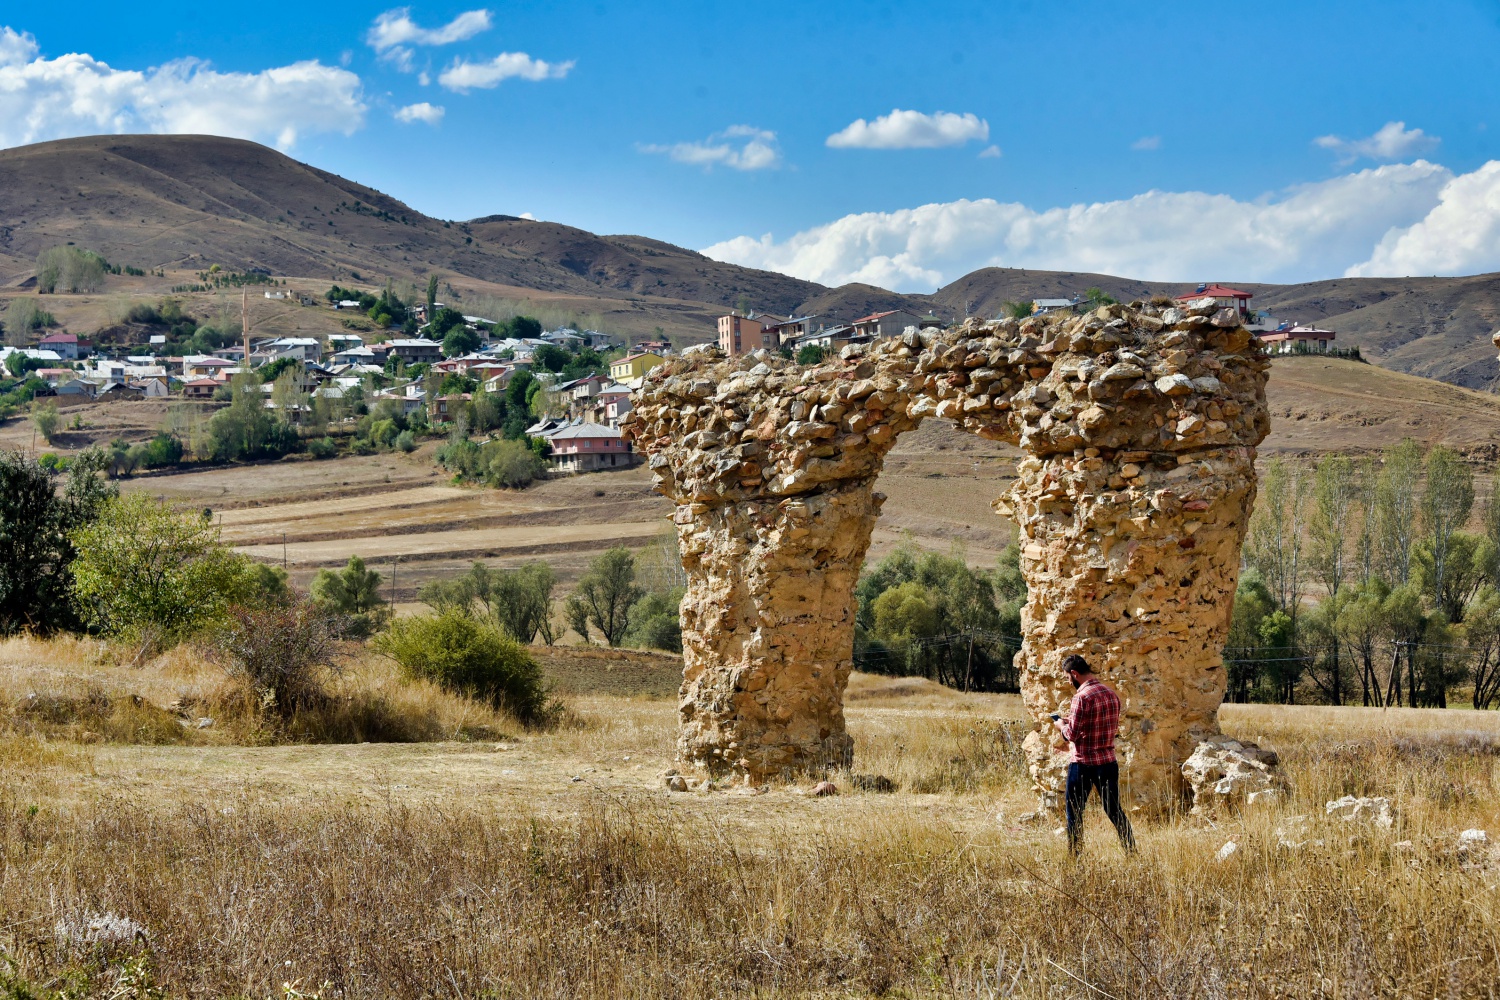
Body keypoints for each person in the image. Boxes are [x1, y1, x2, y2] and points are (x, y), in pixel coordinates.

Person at [1052, 653, 1135, 856]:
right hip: (1108, 762)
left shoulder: (1081, 697)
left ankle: (1076, 857)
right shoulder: (1111, 693)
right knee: (1115, 811)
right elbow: (1100, 724)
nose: (1068, 682)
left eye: (1067, 678)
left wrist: (1061, 725)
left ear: (1074, 673)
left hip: (1083, 764)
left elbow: (1071, 735)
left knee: (1075, 813)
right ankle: (1131, 851)